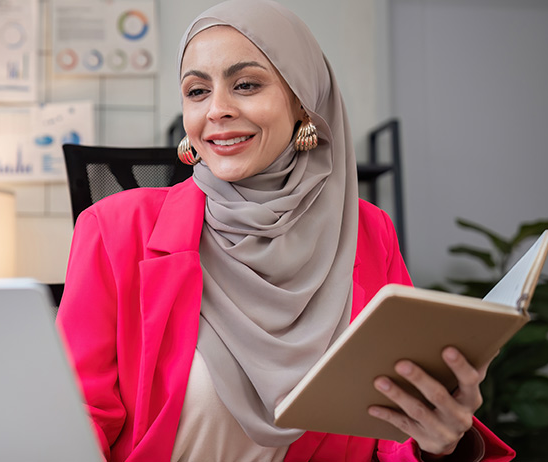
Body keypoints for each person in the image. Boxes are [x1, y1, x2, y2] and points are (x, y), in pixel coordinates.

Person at [56, 0, 516, 460]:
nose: (217, 109)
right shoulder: (114, 229)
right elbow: (75, 419)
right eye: (197, 91)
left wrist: (435, 443)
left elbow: (388, 434)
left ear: (303, 103)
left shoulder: (368, 232)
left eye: (247, 84)